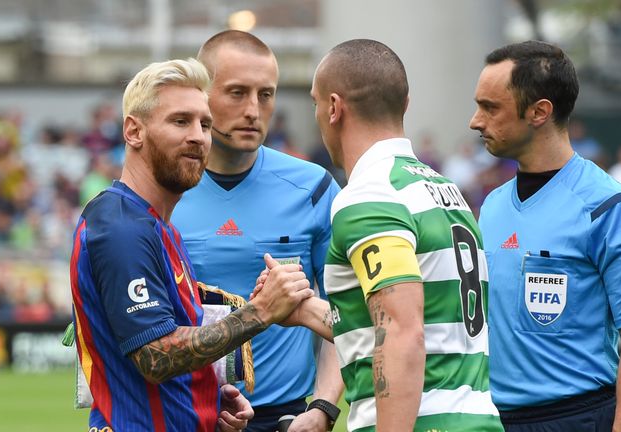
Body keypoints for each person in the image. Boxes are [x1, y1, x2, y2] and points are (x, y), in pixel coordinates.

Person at [260, 38, 502, 431]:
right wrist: (305, 311)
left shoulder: (369, 196)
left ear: (335, 108)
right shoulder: (442, 189)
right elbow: (411, 319)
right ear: (404, 104)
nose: (318, 113)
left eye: (316, 103)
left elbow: (403, 331)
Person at [69, 58, 314, 432]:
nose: (198, 137)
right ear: (133, 132)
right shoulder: (121, 228)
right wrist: (261, 312)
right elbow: (155, 356)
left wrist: (205, 399)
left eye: (205, 124)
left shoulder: (159, 227)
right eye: (180, 121)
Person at [469, 40, 621, 431]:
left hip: (575, 418)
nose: (475, 121)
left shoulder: (611, 209)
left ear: (539, 112)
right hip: (492, 420)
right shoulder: (491, 206)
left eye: (490, 107)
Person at [171, 30, 344, 432]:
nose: (253, 109)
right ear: (202, 93)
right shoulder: (164, 191)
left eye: (265, 94)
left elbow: (346, 313)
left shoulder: (314, 189)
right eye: (237, 92)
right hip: (183, 413)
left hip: (284, 419)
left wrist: (321, 409)